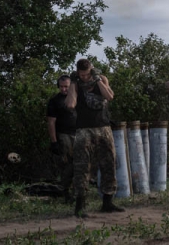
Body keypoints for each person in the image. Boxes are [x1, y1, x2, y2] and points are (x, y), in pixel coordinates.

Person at [66, 58, 124, 218]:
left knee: (109, 163)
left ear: (91, 70)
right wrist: (73, 83)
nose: (84, 77)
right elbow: (70, 104)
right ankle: (80, 205)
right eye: (81, 75)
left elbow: (109, 96)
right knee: (82, 166)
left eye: (87, 74)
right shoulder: (76, 84)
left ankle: (108, 202)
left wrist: (98, 80)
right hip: (83, 129)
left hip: (103, 127)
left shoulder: (101, 79)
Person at [46, 74, 77, 203]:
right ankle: (65, 192)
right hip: (64, 135)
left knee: (80, 163)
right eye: (62, 86)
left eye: (66, 87)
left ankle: (78, 192)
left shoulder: (77, 97)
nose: (64, 89)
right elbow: (51, 122)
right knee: (67, 164)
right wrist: (54, 142)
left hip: (78, 133)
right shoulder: (54, 101)